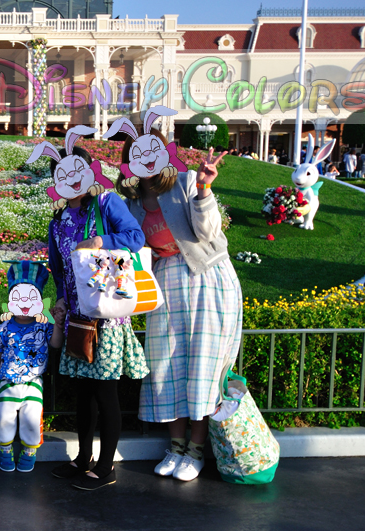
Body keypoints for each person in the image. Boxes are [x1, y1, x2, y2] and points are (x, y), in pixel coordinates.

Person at [121, 145, 243, 483]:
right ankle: (175, 447)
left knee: (202, 365)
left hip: (207, 278)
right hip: (165, 283)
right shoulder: (130, 203)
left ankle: (196, 451)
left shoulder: (186, 183)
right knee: (167, 364)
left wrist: (204, 189)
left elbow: (208, 232)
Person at [45, 147, 147, 491]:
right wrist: (60, 298)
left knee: (105, 393)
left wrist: (103, 239)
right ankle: (83, 458)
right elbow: (58, 270)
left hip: (108, 316)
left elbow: (136, 237)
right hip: (78, 320)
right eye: (63, 173)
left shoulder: (106, 205)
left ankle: (106, 467)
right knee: (84, 394)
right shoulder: (57, 221)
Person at [0, 262, 66, 474]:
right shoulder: (4, 326)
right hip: (8, 382)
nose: (24, 303)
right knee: (4, 415)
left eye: (30, 298)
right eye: (18, 297)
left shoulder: (43, 325)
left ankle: (29, 451)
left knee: (32, 417)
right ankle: (4, 449)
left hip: (33, 383)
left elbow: (55, 344)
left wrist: (58, 325)